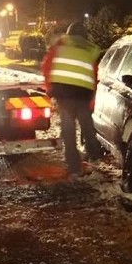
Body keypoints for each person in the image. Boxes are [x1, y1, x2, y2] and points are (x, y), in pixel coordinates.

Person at [41, 21, 105, 177]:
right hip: (83, 94)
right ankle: (94, 154)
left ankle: (74, 167)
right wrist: (92, 97)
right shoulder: (90, 51)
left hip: (64, 95)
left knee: (68, 132)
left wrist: (50, 88)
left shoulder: (59, 47)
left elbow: (47, 67)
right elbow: (93, 75)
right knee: (87, 126)